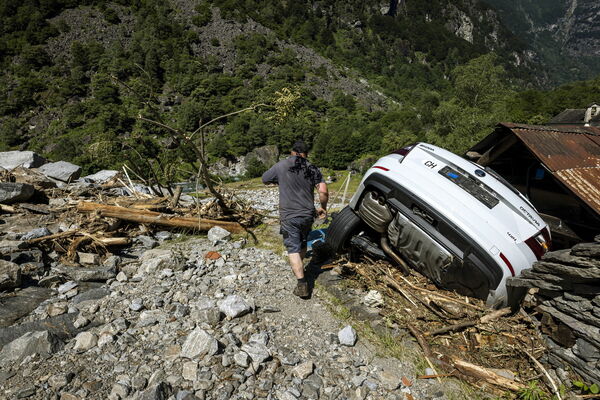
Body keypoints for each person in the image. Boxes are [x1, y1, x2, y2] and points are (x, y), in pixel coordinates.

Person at [261, 140, 328, 298]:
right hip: (307, 214)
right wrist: (323, 207)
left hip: (289, 214)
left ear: (292, 151)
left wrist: (279, 181)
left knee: (292, 247)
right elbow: (323, 191)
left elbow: (264, 179)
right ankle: (300, 267)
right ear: (306, 154)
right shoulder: (311, 168)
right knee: (303, 242)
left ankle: (302, 283)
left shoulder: (281, 165)